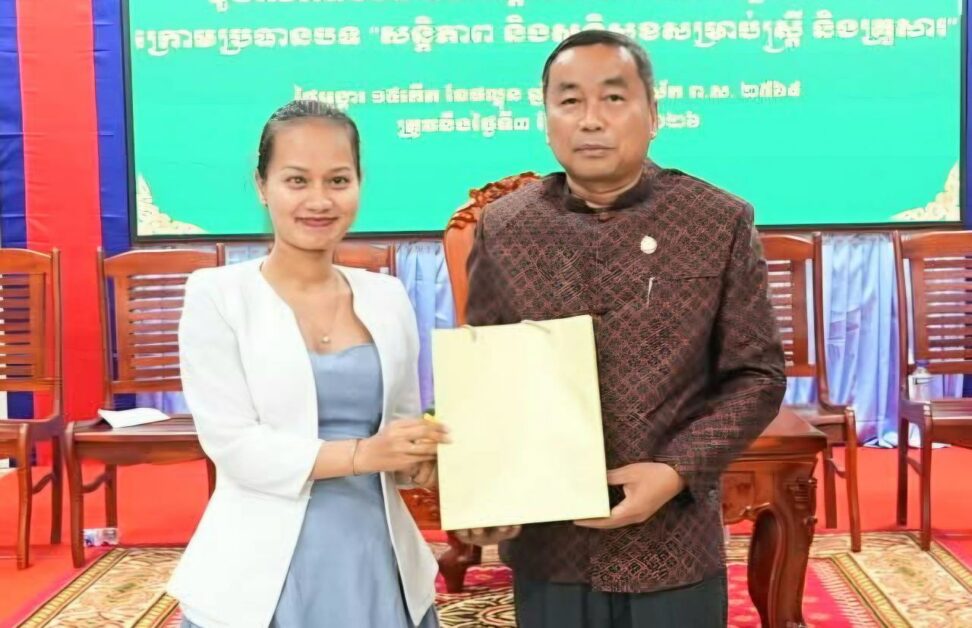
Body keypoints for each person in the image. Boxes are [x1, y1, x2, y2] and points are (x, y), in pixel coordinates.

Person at [456, 31, 787, 627]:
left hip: (672, 543)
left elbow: (757, 376)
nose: (591, 120)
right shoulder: (505, 226)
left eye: (613, 98)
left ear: (653, 114)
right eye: (569, 101)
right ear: (547, 120)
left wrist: (676, 471)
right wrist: (489, 490)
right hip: (551, 545)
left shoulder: (718, 220)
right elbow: (490, 375)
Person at [168, 100, 446, 628]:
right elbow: (234, 446)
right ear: (262, 185)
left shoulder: (388, 297)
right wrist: (366, 454)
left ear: (359, 183)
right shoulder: (217, 295)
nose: (319, 200)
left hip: (375, 558)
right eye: (296, 180)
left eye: (338, 180)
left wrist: (423, 461)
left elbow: (401, 432)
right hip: (260, 566)